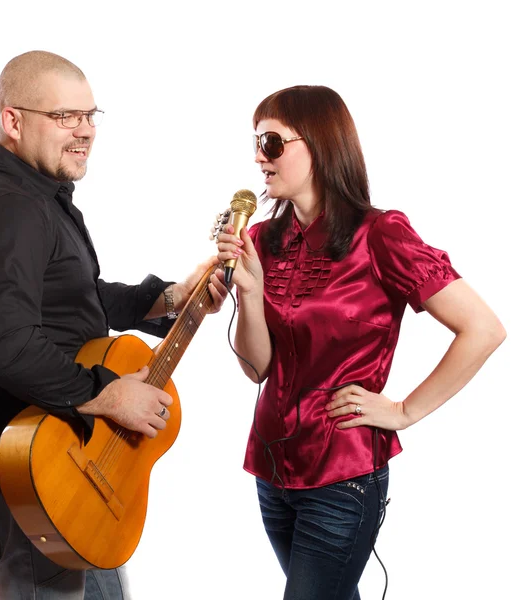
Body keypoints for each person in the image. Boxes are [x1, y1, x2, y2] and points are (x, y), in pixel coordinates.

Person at [0, 50, 227, 600]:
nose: (85, 131)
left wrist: (165, 298)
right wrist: (109, 396)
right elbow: (6, 346)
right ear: (13, 120)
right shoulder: (6, 206)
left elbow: (70, 300)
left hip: (73, 453)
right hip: (29, 466)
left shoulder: (33, 193)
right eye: (66, 116)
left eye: (91, 116)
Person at [216, 85, 506, 600]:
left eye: (273, 142)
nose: (259, 156)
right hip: (271, 470)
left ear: (321, 145)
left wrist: (403, 411)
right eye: (256, 141)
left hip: (342, 476)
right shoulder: (263, 240)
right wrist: (252, 293)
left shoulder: (381, 235)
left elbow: (483, 330)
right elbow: (257, 368)